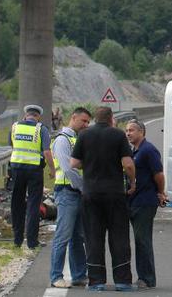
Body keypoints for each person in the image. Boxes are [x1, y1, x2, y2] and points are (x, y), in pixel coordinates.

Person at [71, 107, 137, 292]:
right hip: (114, 193)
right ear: (111, 119)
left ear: (95, 119)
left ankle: (96, 281)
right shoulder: (118, 135)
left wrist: (89, 163)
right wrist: (132, 182)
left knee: (93, 237)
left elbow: (74, 163)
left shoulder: (84, 135)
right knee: (119, 237)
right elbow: (128, 164)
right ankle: (122, 281)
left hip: (91, 194)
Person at [49, 107, 91, 289]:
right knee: (63, 236)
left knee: (77, 237)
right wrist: (83, 187)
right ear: (73, 118)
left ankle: (79, 275)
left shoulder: (76, 139)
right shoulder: (62, 140)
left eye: (88, 122)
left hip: (76, 192)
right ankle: (56, 276)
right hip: (67, 191)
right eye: (83, 121)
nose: (86, 125)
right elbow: (68, 168)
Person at [125, 120, 167, 290]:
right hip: (133, 200)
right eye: (127, 130)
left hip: (145, 201)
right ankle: (142, 276)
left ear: (141, 132)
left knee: (142, 240)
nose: (128, 133)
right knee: (138, 239)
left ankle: (147, 278)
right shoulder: (133, 151)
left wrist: (161, 192)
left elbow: (159, 174)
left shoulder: (148, 150)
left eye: (132, 130)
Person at [9, 104, 55, 250]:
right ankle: (32, 242)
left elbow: (12, 146)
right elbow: (47, 152)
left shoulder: (15, 127)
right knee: (33, 205)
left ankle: (17, 240)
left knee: (17, 203)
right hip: (34, 170)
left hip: (16, 168)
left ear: (25, 115)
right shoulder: (41, 129)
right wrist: (52, 169)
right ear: (38, 116)